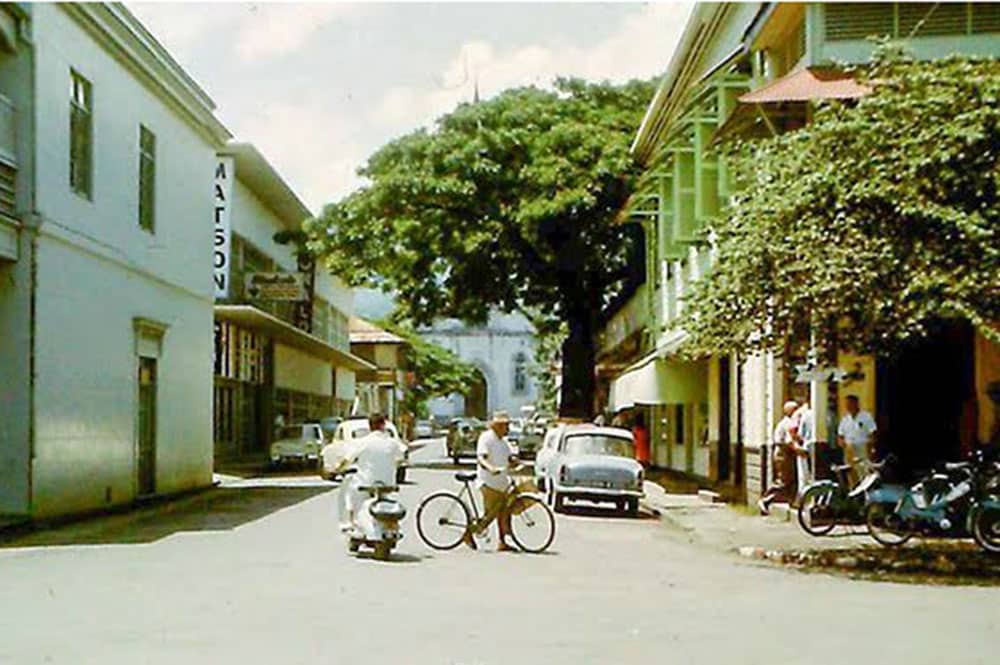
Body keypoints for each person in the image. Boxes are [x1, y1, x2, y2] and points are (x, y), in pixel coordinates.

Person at [338, 413, 405, 533]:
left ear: (370, 426)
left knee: (350, 493)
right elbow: (401, 459)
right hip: (388, 483)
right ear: (384, 425)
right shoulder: (393, 442)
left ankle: (350, 524)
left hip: (366, 483)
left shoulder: (363, 442)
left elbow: (348, 459)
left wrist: (338, 469)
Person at [465, 410, 518, 552]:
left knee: (502, 512)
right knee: (490, 515)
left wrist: (515, 462)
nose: (507, 429)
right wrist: (491, 468)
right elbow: (481, 458)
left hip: (501, 482)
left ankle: (502, 542)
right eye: (505, 426)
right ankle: (469, 533)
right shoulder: (486, 438)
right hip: (488, 482)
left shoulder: (504, 442)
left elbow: (509, 457)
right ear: (497, 426)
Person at [758, 400, 798, 515]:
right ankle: (766, 499)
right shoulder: (788, 423)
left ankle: (791, 501)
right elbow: (789, 441)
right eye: (795, 410)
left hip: (783, 452)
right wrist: (799, 450)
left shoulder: (786, 422)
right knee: (784, 480)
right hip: (784, 453)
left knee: (789, 480)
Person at [837, 395, 877, 484]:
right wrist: (842, 444)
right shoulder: (845, 419)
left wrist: (871, 448)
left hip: (863, 447)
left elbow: (872, 433)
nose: (848, 406)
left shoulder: (866, 417)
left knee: (864, 472)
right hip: (849, 449)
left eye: (850, 403)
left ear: (856, 403)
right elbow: (840, 435)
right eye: (846, 404)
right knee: (851, 473)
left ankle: (865, 493)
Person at [790, 400, 814, 491]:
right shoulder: (802, 413)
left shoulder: (805, 413)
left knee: (806, 475)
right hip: (804, 447)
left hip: (809, 446)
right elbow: (794, 432)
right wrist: (797, 446)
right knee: (804, 475)